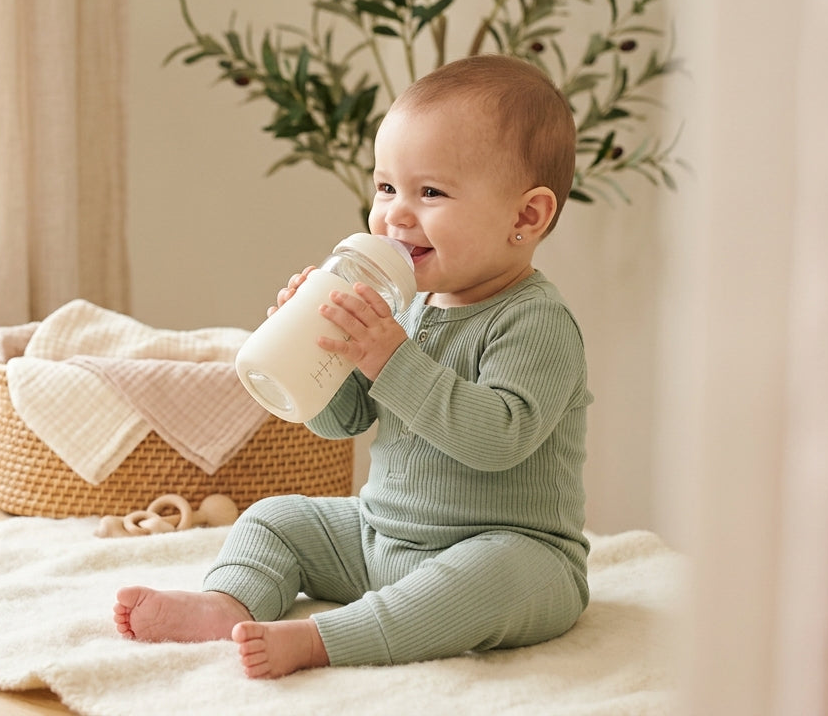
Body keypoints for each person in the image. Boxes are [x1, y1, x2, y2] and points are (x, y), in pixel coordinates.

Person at [114, 54, 592, 679]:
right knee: (277, 516)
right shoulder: (406, 306)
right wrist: (325, 352)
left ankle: (323, 638)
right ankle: (227, 602)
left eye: (431, 193)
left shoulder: (535, 322)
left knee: (489, 577)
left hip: (511, 550)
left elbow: (498, 438)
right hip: (382, 537)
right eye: (387, 187)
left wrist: (390, 357)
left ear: (525, 217)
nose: (395, 213)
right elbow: (343, 422)